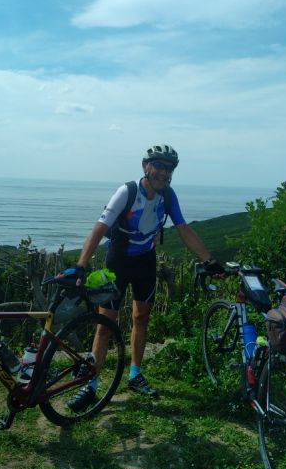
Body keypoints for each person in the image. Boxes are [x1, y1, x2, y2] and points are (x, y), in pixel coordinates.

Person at [65, 144, 224, 411]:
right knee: (105, 324)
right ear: (145, 166)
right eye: (159, 165)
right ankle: (90, 384)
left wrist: (209, 260)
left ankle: (134, 374)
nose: (164, 172)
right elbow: (100, 227)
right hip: (118, 262)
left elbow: (183, 228)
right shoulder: (127, 192)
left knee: (141, 318)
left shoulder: (168, 196)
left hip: (145, 263)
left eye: (169, 168)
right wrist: (81, 264)